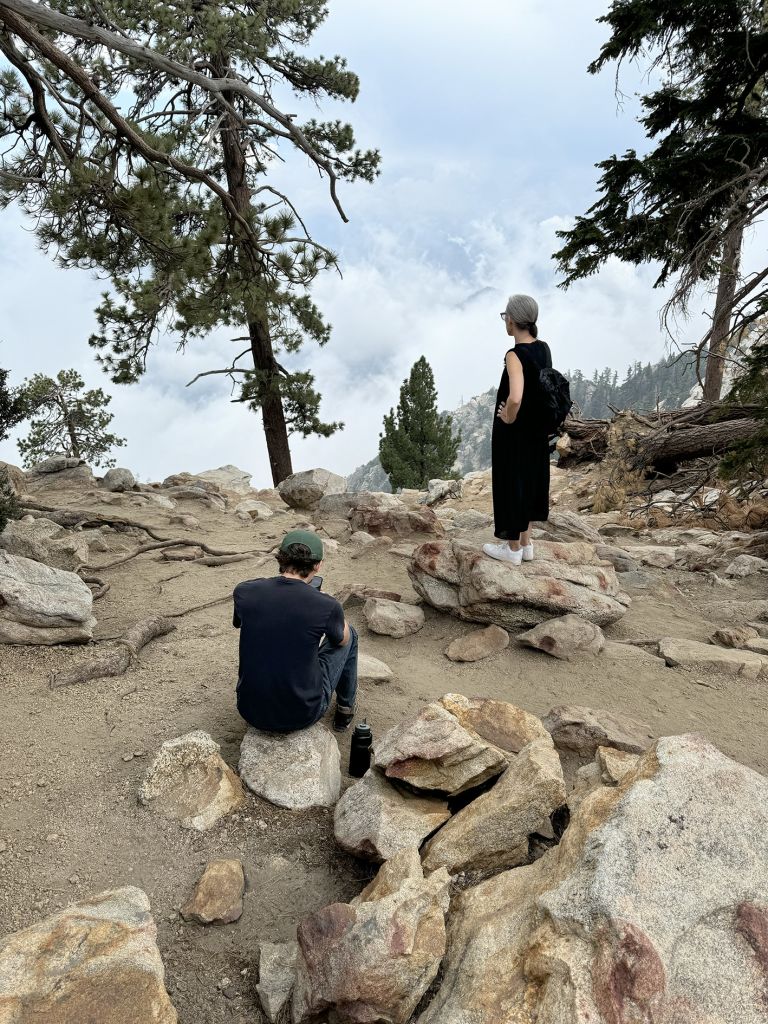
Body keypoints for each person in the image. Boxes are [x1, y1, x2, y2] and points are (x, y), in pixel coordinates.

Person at [233, 529, 358, 733]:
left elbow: (241, 623)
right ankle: (345, 708)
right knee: (350, 633)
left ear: (281, 558)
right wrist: (332, 608)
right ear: (317, 565)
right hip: (302, 714)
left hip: (249, 709)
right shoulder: (325, 604)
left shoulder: (244, 591)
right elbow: (342, 641)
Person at [483, 293, 551, 565]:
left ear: (511, 320)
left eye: (505, 317)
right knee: (530, 481)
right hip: (536, 431)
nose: (505, 322)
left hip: (516, 433)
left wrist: (509, 418)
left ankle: (511, 550)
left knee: (512, 483)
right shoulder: (543, 348)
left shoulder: (514, 354)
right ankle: (526, 544)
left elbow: (515, 396)